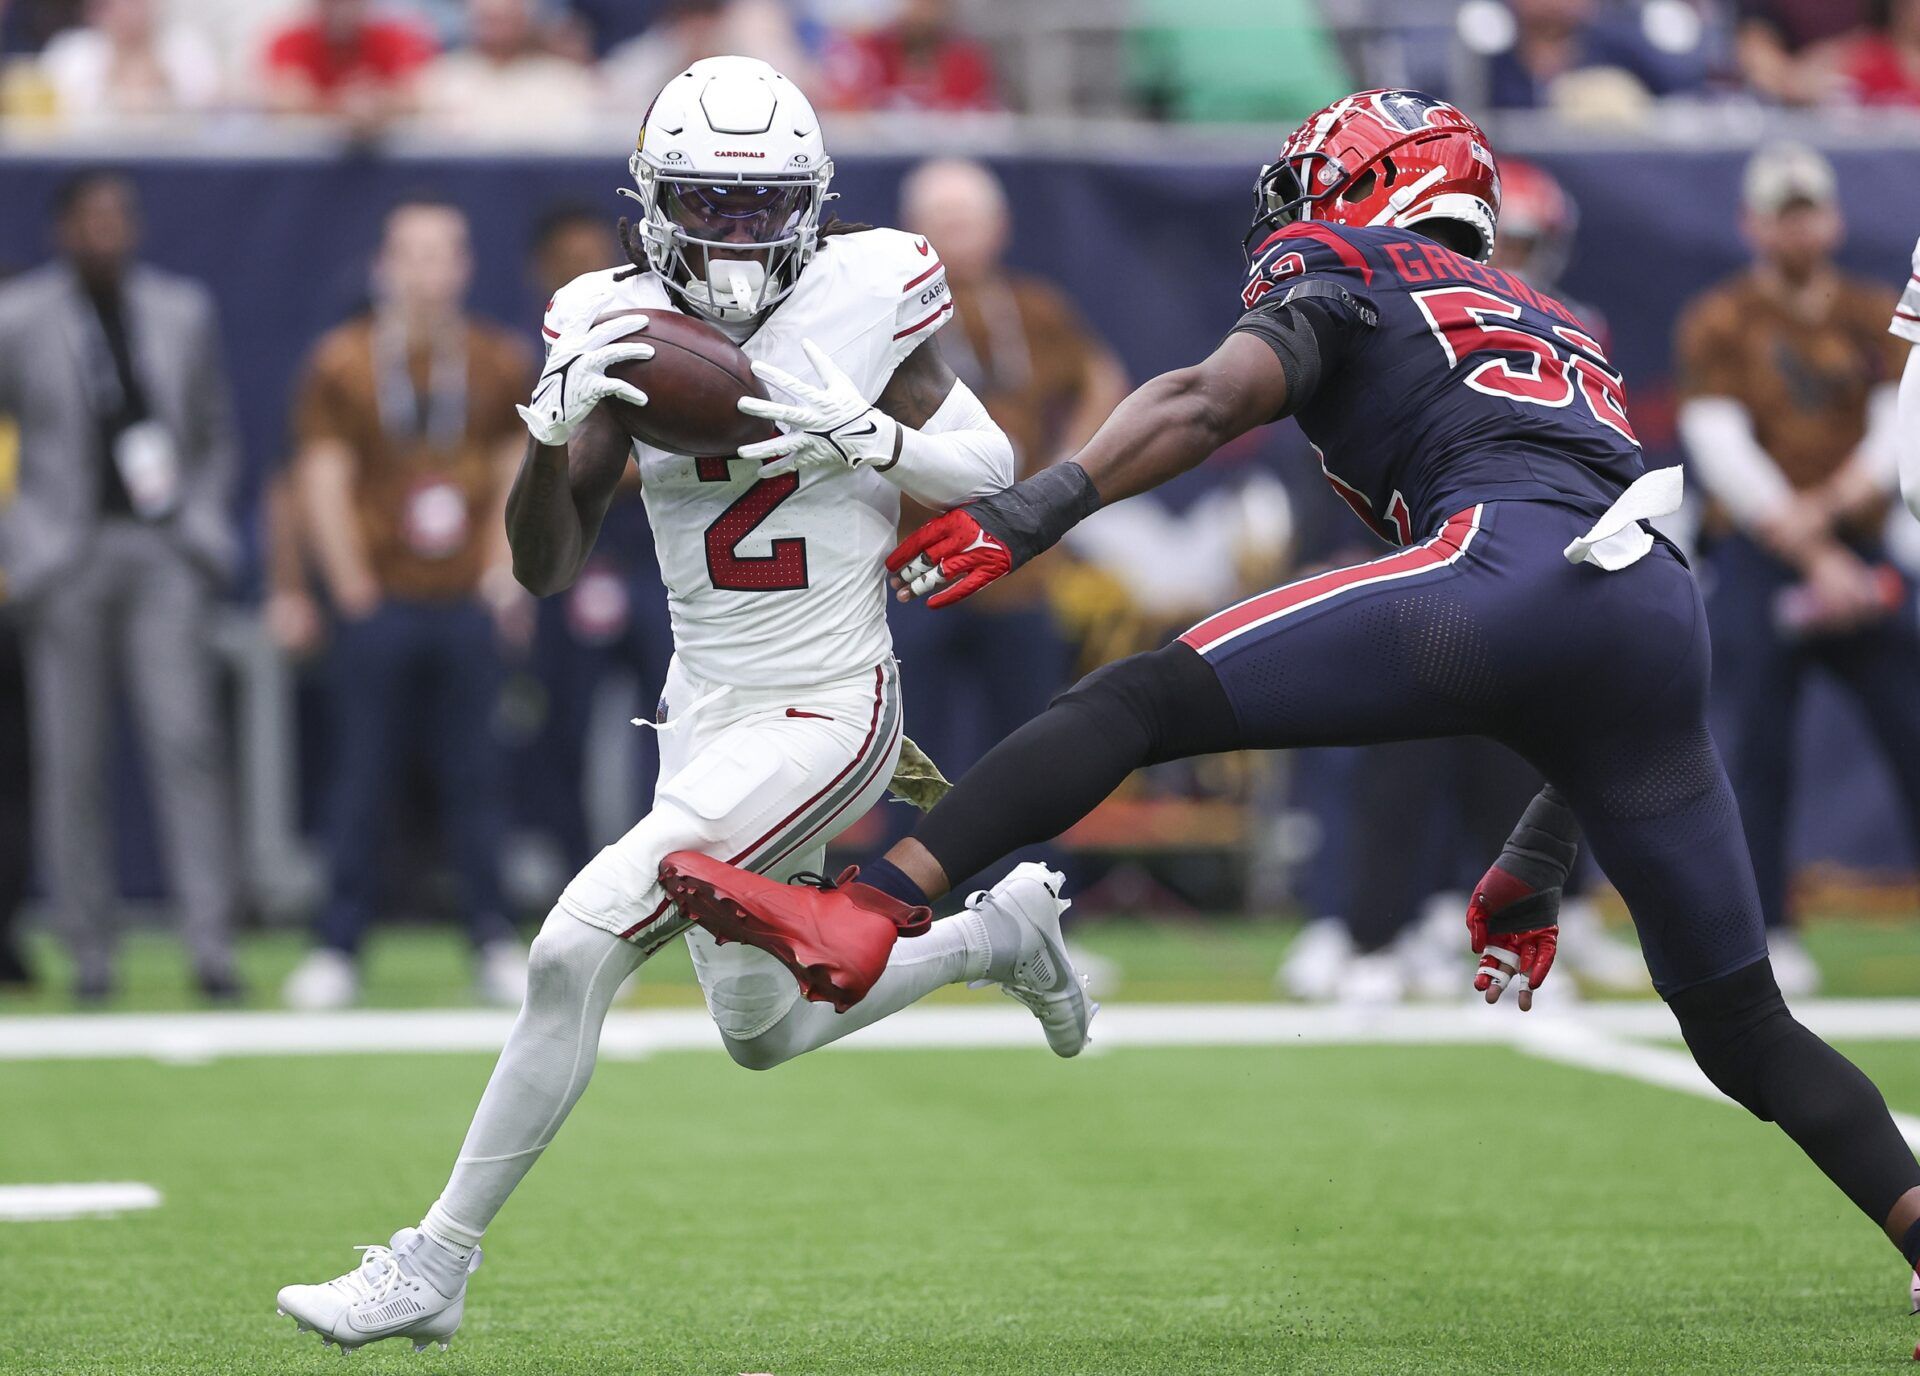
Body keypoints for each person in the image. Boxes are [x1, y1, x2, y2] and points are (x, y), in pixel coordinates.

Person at [673, 89, 1920, 1298]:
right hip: (1653, 600)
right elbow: (1590, 634)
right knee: (1742, 1023)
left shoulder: (1353, 258)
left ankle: (869, 908)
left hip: (1498, 567)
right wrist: (1534, 867)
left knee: (1141, 698)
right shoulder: (1557, 316)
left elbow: (1209, 399)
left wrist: (1033, 508)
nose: (1293, 208)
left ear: (1378, 184)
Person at [274, 57, 1083, 1355]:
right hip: (705, 711)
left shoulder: (871, 285)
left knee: (570, 949)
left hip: (831, 707)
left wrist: (865, 439)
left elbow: (991, 464)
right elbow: (542, 566)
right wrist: (550, 435)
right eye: (711, 200)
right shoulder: (614, 316)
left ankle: (433, 1261)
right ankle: (1001, 940)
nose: (739, 232)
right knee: (762, 1032)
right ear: (655, 199)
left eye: (764, 205)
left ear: (812, 203)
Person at [1673, 143, 1915, 998]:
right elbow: (1719, 445)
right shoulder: (1721, 318)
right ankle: (1768, 927)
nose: (1797, 225)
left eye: (1807, 208)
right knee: (1754, 752)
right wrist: (1813, 546)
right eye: (1781, 210)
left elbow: (1898, 427)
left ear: (1834, 217)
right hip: (1766, 557)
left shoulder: (1871, 310)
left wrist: (1840, 522)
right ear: (1752, 223)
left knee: (1914, 729)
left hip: (1864, 550)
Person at [281, 197, 533, 1013]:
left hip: (464, 598)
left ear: (463, 267)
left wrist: (505, 572)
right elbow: (319, 474)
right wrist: (347, 582)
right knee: (361, 775)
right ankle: (337, 945)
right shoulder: (343, 361)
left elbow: (513, 468)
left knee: (477, 776)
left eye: (443, 254)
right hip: (379, 597)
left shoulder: (496, 358)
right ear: (384, 266)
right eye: (411, 254)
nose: (427, 271)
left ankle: (492, 935)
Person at [0, 172, 242, 1003]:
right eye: (90, 219)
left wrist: (197, 523)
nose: (106, 231)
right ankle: (89, 953)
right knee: (71, 759)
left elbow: (213, 430)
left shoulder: (182, 310)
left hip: (160, 548)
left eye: (118, 217)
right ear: (62, 229)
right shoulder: (21, 316)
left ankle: (211, 946)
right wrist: (21, 538)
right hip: (64, 556)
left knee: (187, 745)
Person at [892, 156, 1127, 774]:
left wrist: (1062, 474)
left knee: (1031, 744)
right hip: (914, 561)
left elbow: (1102, 379)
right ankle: (900, 871)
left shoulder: (1031, 306)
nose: (955, 234)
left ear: (1000, 228)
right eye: (940, 220)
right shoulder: (888, 315)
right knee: (912, 749)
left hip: (1014, 557)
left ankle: (1039, 870)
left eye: (967, 220)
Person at [514, 204, 674, 873]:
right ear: (540, 273)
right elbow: (528, 467)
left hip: (657, 559)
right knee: (562, 726)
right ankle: (577, 874)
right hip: (577, 558)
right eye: (566, 260)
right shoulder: (521, 357)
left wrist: (607, 466)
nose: (583, 272)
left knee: (674, 723)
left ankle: (669, 870)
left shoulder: (660, 349)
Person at [415, 0, 597, 141]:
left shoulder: (564, 78)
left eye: (504, 19)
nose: (497, 30)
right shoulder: (441, 76)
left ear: (524, 20)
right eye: (488, 19)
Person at [36, 0, 221, 123]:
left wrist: (164, 85)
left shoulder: (186, 48)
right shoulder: (72, 53)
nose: (129, 10)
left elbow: (211, 114)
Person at [259, 0, 434, 126]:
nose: (341, 8)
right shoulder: (291, 41)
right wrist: (344, 105)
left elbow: (416, 96)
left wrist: (374, 104)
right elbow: (288, 99)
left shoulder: (394, 38)